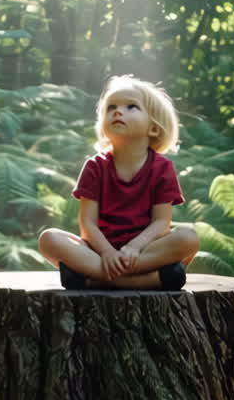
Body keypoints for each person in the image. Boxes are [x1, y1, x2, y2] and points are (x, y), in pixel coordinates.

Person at [38, 76, 200, 290]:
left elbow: (161, 223)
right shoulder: (95, 166)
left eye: (131, 106)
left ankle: (93, 279)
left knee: (188, 239)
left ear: (153, 128)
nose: (117, 111)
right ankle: (150, 280)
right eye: (111, 107)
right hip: (99, 251)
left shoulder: (162, 168)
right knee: (49, 239)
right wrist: (106, 252)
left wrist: (134, 248)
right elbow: (87, 224)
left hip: (143, 251)